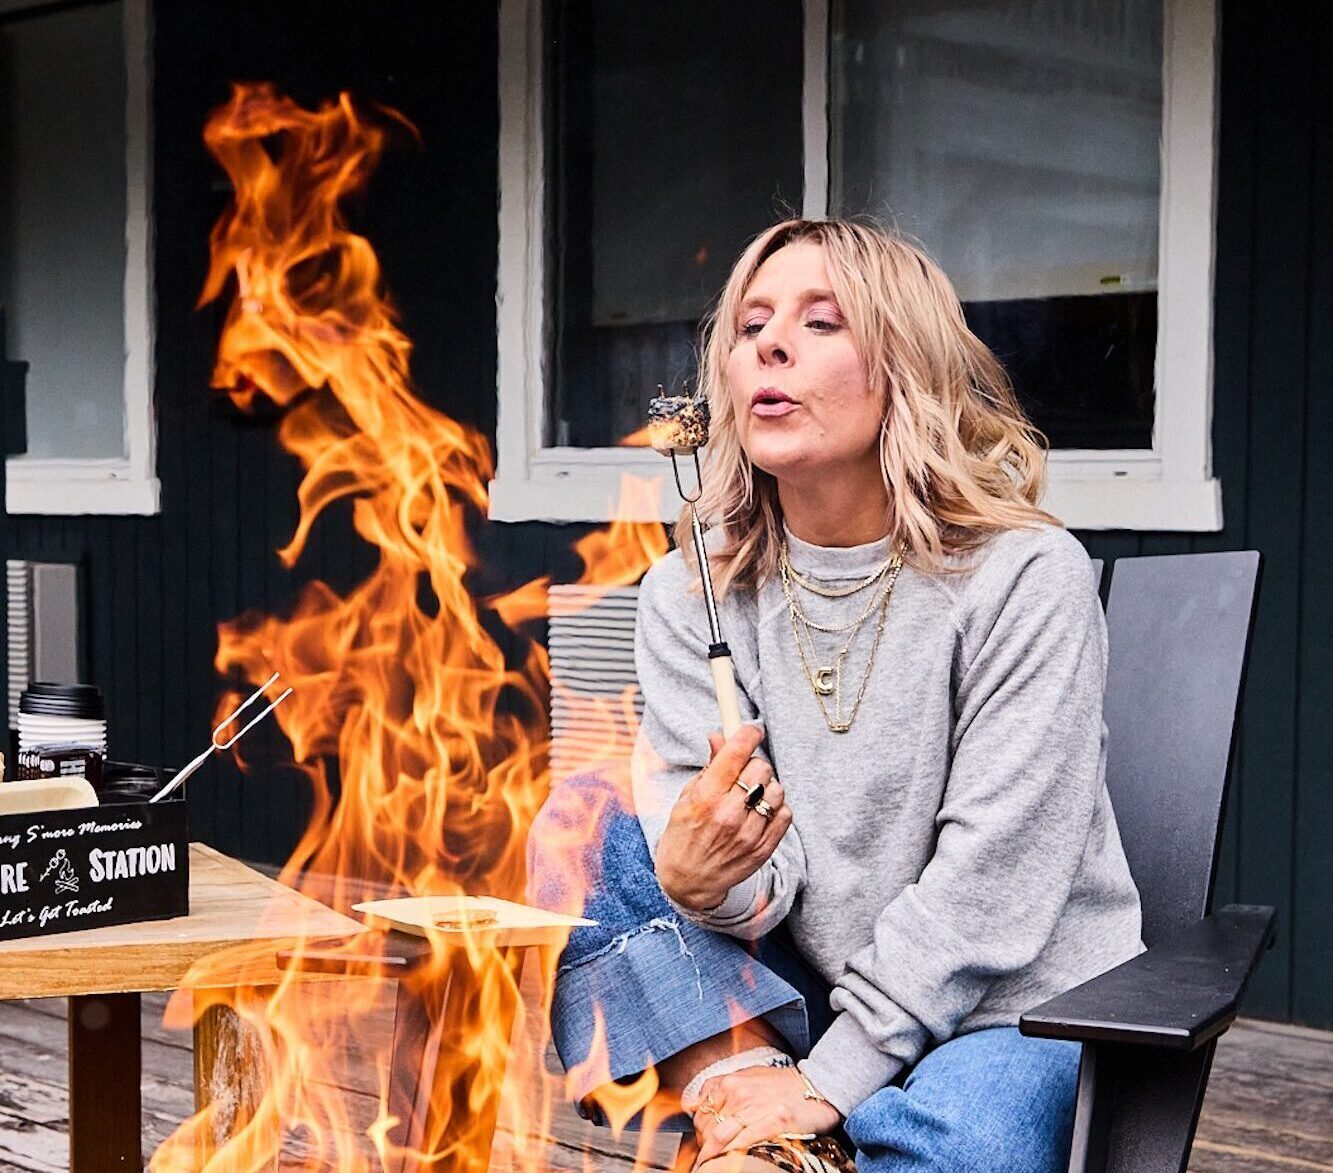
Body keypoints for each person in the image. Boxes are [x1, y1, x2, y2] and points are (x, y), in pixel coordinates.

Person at [528, 218, 1143, 1173]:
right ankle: (771, 1142)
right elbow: (765, 884)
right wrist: (704, 876)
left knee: (968, 1142)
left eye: (822, 322)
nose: (769, 344)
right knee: (586, 818)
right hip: (802, 986)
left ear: (907, 364)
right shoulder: (692, 589)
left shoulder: (1023, 575)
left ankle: (786, 1127)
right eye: (750, 325)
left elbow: (994, 886)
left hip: (1010, 1003)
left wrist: (832, 1077)